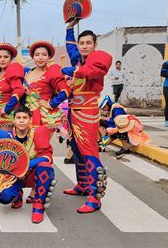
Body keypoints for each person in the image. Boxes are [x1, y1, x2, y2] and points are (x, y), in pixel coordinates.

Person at [62, 19, 112, 213]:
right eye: (81, 43)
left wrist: (74, 71)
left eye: (88, 43)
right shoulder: (78, 60)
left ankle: (95, 195)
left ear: (95, 45)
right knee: (76, 149)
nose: (84, 46)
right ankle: (82, 185)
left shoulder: (98, 59)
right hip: (73, 112)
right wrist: (69, 28)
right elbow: (70, 48)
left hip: (88, 112)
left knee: (89, 151)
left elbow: (89, 71)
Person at [0, 106, 56, 224]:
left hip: (32, 174)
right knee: (5, 197)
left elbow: (47, 157)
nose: (21, 120)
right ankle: (18, 194)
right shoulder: (7, 136)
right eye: (19, 118)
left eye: (25, 118)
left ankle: (38, 206)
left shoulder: (37, 133)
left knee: (44, 166)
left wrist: (26, 165)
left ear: (30, 120)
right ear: (14, 120)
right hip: (13, 176)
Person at [23, 40, 70, 134]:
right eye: (37, 55)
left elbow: (66, 90)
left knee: (41, 146)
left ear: (49, 57)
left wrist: (51, 104)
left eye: (44, 55)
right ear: (33, 57)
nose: (40, 58)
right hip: (25, 115)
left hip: (44, 116)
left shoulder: (52, 71)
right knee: (26, 147)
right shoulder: (27, 72)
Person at [0, 42, 25, 131]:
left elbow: (19, 90)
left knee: (7, 143)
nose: (2, 60)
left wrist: (7, 108)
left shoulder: (12, 71)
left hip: (8, 115)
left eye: (6, 57)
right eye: (0, 57)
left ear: (11, 58)